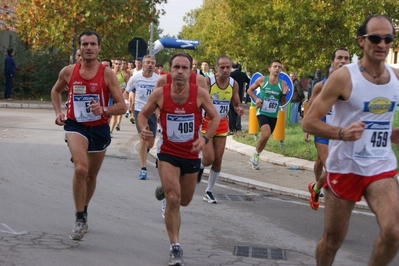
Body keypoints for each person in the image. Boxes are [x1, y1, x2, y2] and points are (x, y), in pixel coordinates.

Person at [302, 15, 399, 266]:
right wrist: (342, 133)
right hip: (345, 167)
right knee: (333, 241)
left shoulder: (396, 77)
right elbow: (309, 121)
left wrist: (393, 133)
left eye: (388, 39)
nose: (382, 44)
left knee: (393, 232)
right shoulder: (345, 77)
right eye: (375, 38)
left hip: (380, 166)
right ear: (361, 41)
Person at [137, 52, 220, 265]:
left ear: (191, 70)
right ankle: (175, 247)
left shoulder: (200, 93)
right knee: (174, 199)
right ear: (169, 70)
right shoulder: (160, 93)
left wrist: (205, 138)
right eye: (176, 67)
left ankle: (165, 189)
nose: (180, 71)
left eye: (184, 68)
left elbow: (215, 117)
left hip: (191, 154)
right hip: (168, 153)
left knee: (184, 200)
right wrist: (144, 129)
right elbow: (142, 114)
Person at [50, 30, 126, 241]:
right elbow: (55, 91)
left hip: (99, 128)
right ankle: (79, 218)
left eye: (93, 44)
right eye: (85, 44)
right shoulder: (68, 71)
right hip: (75, 125)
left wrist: (104, 110)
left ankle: (84, 208)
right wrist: (58, 112)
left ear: (99, 48)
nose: (89, 47)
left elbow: (121, 106)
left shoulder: (107, 74)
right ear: (80, 48)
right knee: (81, 168)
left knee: (91, 176)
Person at [304, 48, 350, 210]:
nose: (343, 61)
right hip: (322, 130)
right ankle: (330, 200)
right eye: (339, 58)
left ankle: (315, 187)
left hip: (341, 133)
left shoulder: (353, 85)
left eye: (346, 58)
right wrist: (308, 128)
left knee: (320, 161)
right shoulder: (320, 85)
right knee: (331, 166)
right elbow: (310, 105)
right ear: (333, 62)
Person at [200, 55, 244, 203]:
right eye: (222, 67)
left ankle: (209, 191)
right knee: (208, 159)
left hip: (222, 124)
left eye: (228, 67)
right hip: (207, 123)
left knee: (218, 160)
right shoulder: (209, 81)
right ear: (217, 69)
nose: (225, 70)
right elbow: (200, 101)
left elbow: (236, 101)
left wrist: (238, 108)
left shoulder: (233, 83)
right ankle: (199, 165)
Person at [247, 60, 289, 170]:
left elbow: (283, 102)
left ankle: (255, 156)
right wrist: (256, 99)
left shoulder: (282, 84)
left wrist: (284, 93)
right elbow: (249, 90)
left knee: (266, 137)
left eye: (279, 67)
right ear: (269, 69)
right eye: (275, 66)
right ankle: (255, 155)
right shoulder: (262, 80)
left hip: (273, 114)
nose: (277, 68)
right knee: (266, 134)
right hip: (262, 112)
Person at [125, 55, 159, 180]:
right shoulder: (135, 78)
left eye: (152, 63)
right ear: (143, 64)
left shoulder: (158, 79)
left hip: (153, 112)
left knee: (151, 142)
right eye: (148, 63)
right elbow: (127, 90)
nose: (150, 65)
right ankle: (143, 169)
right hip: (140, 112)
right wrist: (126, 102)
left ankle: (144, 152)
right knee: (143, 141)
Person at [109, 58, 129, 136]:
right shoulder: (109, 73)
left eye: (119, 64)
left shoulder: (124, 75)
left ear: (122, 65)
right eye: (116, 64)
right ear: (113, 64)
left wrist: (123, 89)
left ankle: (110, 131)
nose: (118, 65)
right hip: (109, 96)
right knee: (108, 115)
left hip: (118, 97)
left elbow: (128, 86)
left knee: (114, 115)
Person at [229, 62, 250, 133]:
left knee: (231, 111)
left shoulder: (230, 74)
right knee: (239, 109)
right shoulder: (243, 74)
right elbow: (249, 81)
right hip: (240, 95)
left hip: (231, 94)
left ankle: (232, 128)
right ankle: (238, 127)